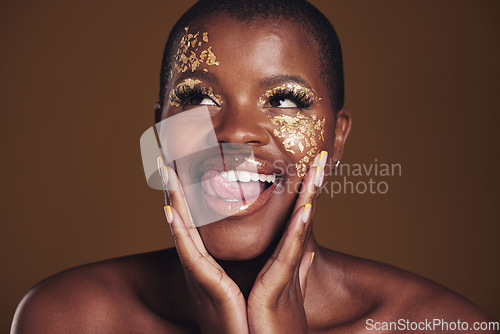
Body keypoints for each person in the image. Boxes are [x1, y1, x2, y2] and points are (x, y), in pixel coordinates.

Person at [11, 1, 495, 333]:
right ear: (160, 131)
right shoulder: (69, 318)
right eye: (197, 96)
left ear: (337, 136)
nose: (235, 132)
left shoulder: (442, 323)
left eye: (284, 100)